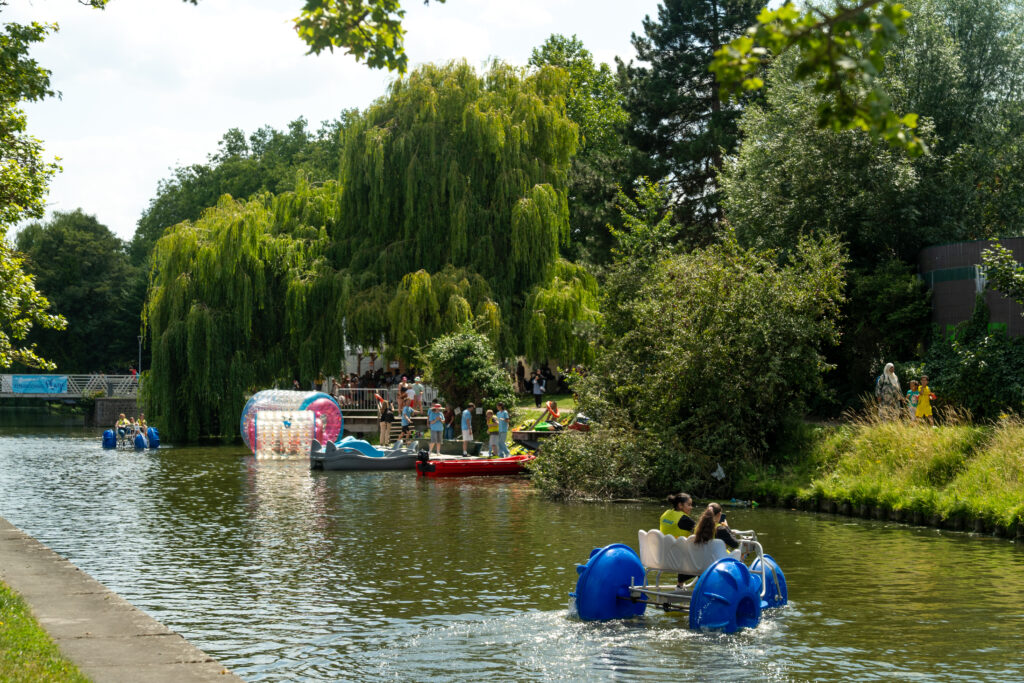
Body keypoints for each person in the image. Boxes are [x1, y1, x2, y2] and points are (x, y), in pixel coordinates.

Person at [660, 493, 696, 587]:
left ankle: (680, 584)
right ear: (680, 505)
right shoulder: (684, 519)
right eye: (688, 505)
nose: (691, 507)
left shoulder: (665, 514)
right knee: (705, 563)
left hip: (664, 555)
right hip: (679, 558)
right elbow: (702, 531)